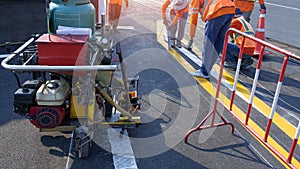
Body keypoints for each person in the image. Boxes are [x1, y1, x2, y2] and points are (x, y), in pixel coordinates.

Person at [191, 0, 235, 79]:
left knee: (209, 43)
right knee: (219, 42)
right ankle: (208, 68)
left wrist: (191, 37)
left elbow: (193, 18)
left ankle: (204, 71)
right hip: (230, 9)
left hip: (217, 11)